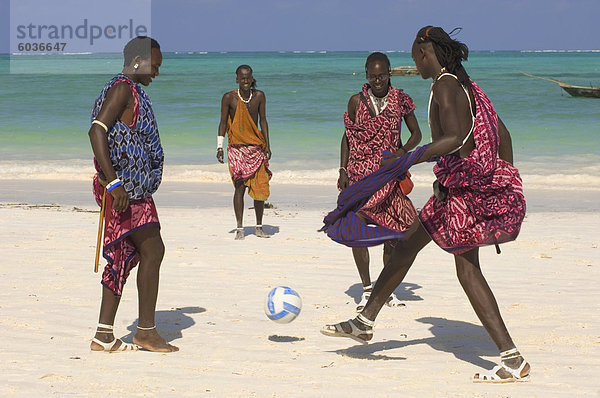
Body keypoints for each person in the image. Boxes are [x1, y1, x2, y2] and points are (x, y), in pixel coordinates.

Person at [321, 27, 529, 383]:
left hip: (462, 195)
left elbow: (455, 138)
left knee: (467, 270)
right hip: (455, 189)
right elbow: (502, 136)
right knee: (406, 247)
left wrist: (410, 158)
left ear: (424, 52)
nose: (414, 64)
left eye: (414, 57)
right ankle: (365, 321)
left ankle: (512, 358)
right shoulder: (467, 84)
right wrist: (501, 180)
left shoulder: (445, 85)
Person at [88, 36, 178, 353]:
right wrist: (114, 183)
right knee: (153, 251)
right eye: (155, 65)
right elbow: (97, 130)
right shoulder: (123, 88)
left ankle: (103, 335)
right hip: (125, 191)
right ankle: (146, 332)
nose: (157, 72)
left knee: (123, 255)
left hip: (130, 189)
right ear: (139, 61)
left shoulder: (130, 90)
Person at [338, 52, 422, 311]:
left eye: (382, 75)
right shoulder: (355, 102)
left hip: (388, 175)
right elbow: (347, 138)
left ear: (389, 74)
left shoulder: (401, 100)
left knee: (394, 233)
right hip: (359, 176)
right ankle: (365, 290)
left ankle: (385, 290)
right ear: (366, 75)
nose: (378, 81)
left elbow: (417, 134)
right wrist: (342, 169)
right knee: (355, 230)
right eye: (373, 76)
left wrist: (402, 151)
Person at [217, 65, 272, 240]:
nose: (245, 81)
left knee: (260, 188)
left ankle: (259, 227)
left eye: (248, 78)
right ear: (237, 79)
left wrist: (268, 145)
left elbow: (263, 120)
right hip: (237, 148)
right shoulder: (228, 98)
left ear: (252, 78)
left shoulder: (259, 96)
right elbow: (223, 123)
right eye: (242, 78)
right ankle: (240, 228)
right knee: (239, 187)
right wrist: (219, 146)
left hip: (256, 147)